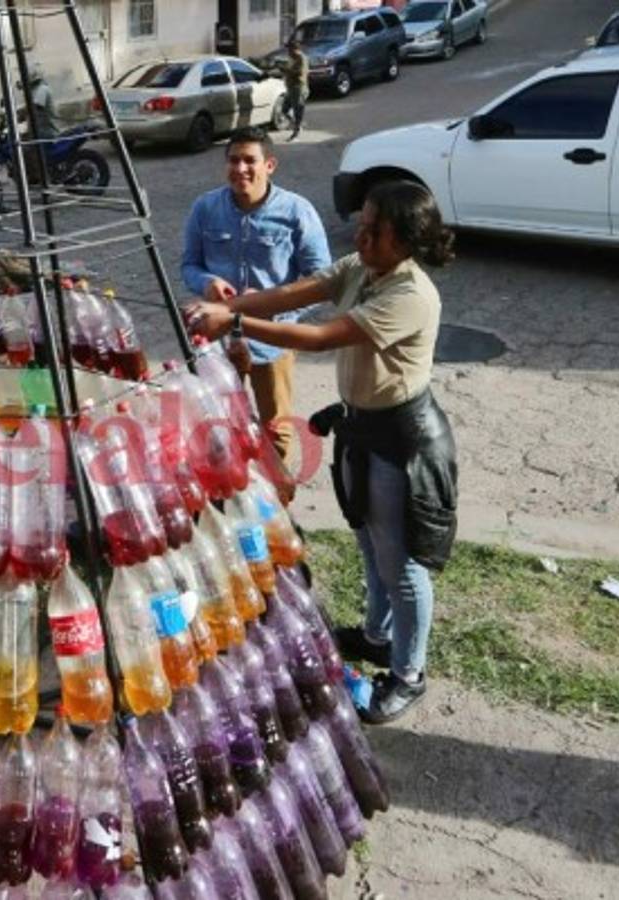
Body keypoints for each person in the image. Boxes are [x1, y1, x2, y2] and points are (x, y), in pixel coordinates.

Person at [185, 180, 459, 724]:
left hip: (402, 441)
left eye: (373, 228)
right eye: (361, 221)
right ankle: (379, 636)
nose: (359, 233)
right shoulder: (362, 267)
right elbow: (299, 293)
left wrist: (234, 321)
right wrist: (230, 305)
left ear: (403, 240)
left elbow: (322, 337)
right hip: (362, 428)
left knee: (402, 564)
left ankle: (408, 676)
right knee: (371, 544)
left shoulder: (409, 294)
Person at [180, 125, 330, 471]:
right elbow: (189, 265)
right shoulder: (205, 208)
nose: (241, 169)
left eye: (250, 161)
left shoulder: (296, 212)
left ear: (270, 165)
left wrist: (272, 303)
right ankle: (228, 495)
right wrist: (206, 283)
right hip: (215, 341)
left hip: (271, 341)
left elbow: (321, 281)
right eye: (234, 160)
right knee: (215, 424)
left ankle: (278, 503)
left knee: (275, 428)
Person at [281, 39, 309, 141]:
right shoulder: (292, 58)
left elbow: (300, 73)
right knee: (284, 110)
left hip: (298, 88)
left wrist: (286, 70)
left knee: (298, 111)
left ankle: (296, 132)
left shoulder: (302, 58)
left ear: (294, 49)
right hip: (291, 88)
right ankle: (297, 125)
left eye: (289, 49)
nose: (287, 51)